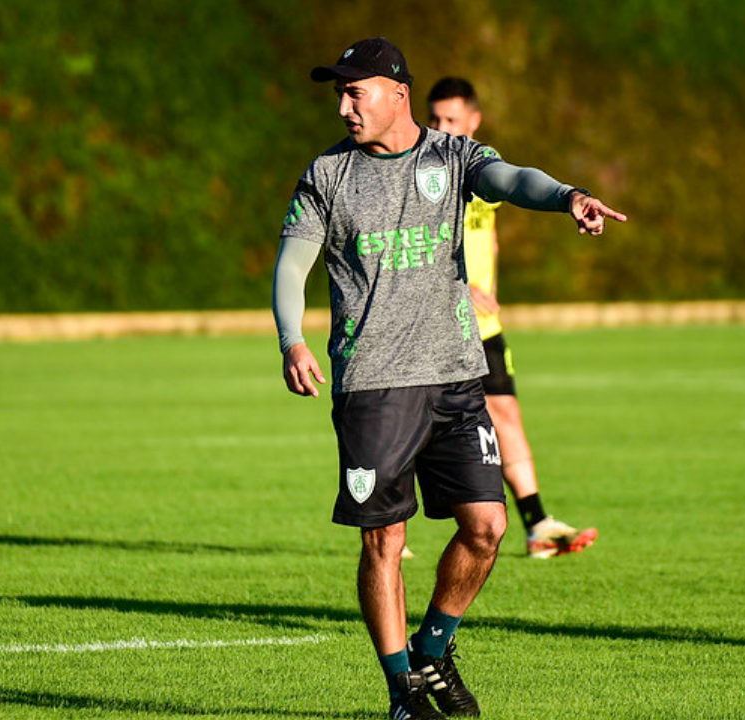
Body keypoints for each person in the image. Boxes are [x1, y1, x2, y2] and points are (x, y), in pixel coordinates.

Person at [272, 38, 626, 720]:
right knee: (385, 541)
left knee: (488, 526)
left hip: (457, 377)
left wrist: (568, 196)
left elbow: (513, 179)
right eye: (338, 93)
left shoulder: (451, 156)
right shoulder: (327, 175)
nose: (344, 106)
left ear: (398, 94)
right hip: (373, 385)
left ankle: (433, 651)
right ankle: (402, 690)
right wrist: (291, 337)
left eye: (356, 91)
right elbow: (292, 266)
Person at [426, 77, 598, 559]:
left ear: (474, 121)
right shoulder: (422, 175)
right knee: (411, 424)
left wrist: (570, 199)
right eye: (434, 119)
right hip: (434, 326)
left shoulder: (483, 168)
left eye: (451, 121)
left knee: (506, 414)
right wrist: (460, 286)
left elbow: (495, 224)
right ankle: (385, 528)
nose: (442, 129)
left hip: (483, 327)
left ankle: (537, 524)